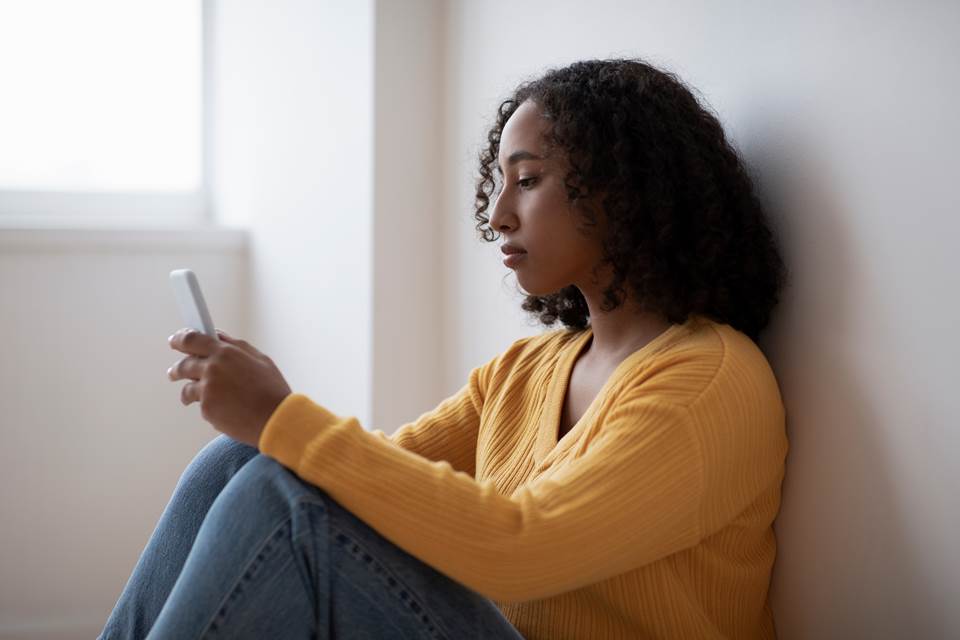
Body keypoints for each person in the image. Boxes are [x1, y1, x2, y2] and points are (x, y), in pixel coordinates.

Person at [99, 58, 789, 639]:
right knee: (240, 460)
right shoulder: (525, 371)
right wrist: (265, 419)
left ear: (622, 191)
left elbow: (522, 549)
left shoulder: (707, 382)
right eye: (498, 184)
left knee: (282, 497)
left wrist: (281, 415)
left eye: (527, 179)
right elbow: (366, 488)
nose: (497, 216)